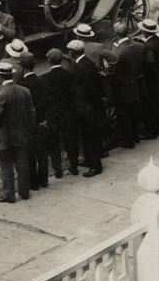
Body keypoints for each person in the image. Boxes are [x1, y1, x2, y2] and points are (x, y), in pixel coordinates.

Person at [0, 61, 36, 203]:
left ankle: (9, 194)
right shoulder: (24, 91)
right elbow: (32, 113)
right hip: (22, 135)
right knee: (22, 165)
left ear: (0, 77)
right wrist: (30, 130)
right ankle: (24, 191)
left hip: (5, 137)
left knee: (6, 166)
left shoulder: (1, 95)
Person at [67, 40, 105, 177]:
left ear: (72, 52)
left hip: (88, 108)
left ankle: (96, 165)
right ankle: (90, 160)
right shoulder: (86, 63)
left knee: (90, 137)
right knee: (87, 136)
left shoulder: (82, 67)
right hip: (90, 107)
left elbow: (89, 89)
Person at [41, 48, 80, 177]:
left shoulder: (44, 79)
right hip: (69, 112)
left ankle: (57, 170)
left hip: (52, 114)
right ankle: (73, 166)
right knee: (71, 140)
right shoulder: (70, 74)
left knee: (54, 143)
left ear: (48, 61)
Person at [17, 52, 51, 189]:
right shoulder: (41, 80)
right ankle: (44, 180)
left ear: (23, 68)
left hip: (30, 125)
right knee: (42, 153)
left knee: (30, 155)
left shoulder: (23, 86)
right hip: (43, 122)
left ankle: (34, 183)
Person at [110, 22, 145, 149]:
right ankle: (136, 136)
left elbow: (117, 75)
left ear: (116, 34)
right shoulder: (139, 46)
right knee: (135, 113)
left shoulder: (119, 53)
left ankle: (128, 141)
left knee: (124, 116)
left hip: (124, 89)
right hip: (136, 86)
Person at [138, 19, 159, 138]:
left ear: (146, 32)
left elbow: (149, 62)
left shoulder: (148, 46)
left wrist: (145, 71)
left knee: (150, 105)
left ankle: (151, 131)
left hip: (152, 78)